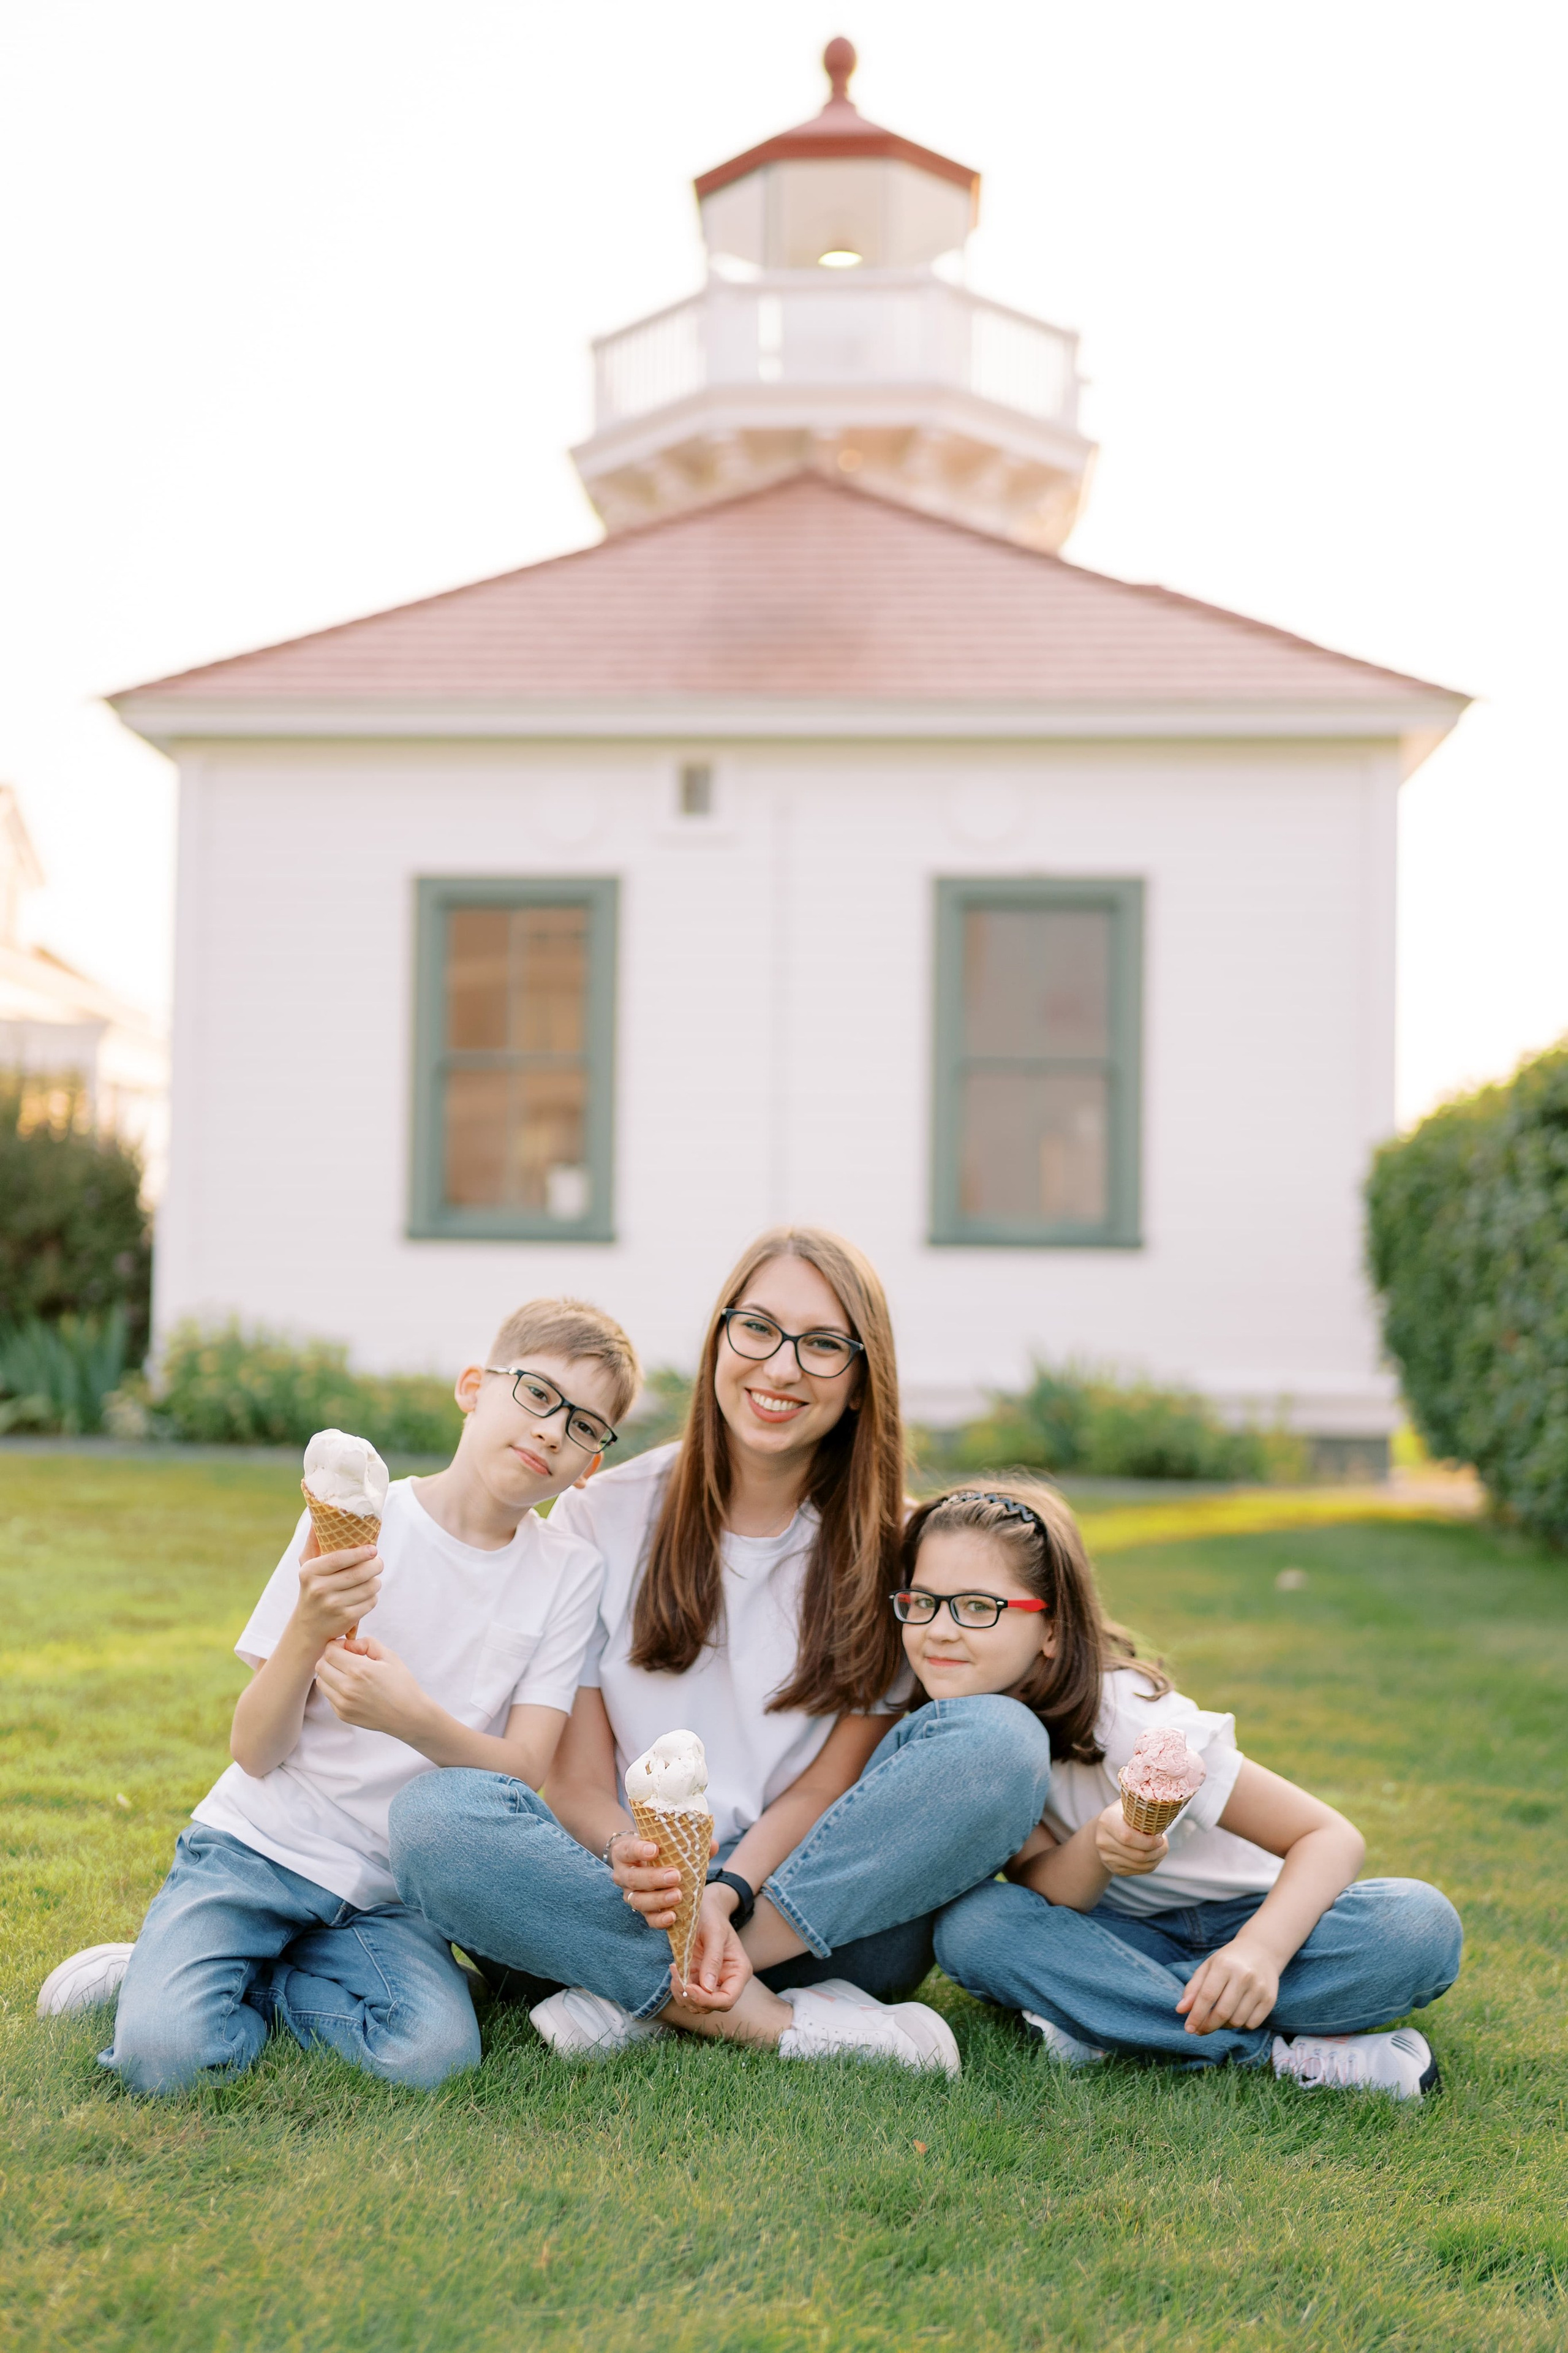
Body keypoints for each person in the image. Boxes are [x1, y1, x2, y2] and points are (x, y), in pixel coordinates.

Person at [390, 1227, 1052, 2074]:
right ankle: (778, 2025)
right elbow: (579, 1781)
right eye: (758, 1329)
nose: (781, 1368)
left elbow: (829, 1782)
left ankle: (643, 1993)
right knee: (434, 1820)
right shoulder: (605, 1511)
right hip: (620, 1895)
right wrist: (647, 1872)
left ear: (859, 1383)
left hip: (816, 1917)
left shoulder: (897, 1546)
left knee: (1001, 1743)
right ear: (719, 1341)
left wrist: (730, 1891)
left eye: (822, 1346)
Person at [37, 1297, 639, 2096]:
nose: (553, 1431)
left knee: (431, 2057)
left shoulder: (567, 1571)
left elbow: (523, 1766)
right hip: (259, 1847)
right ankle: (159, 1972)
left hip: (388, 1893)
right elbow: (254, 1747)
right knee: (165, 2062)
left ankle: (223, 1974)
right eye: (537, 1393)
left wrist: (411, 1718)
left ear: (592, 1462)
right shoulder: (359, 1513)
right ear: (473, 1387)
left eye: (586, 1426)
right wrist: (308, 1627)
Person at [886, 1483, 1463, 2099]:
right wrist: (1100, 1843)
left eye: (977, 1607)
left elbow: (1327, 1836)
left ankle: (1109, 2015)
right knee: (973, 1926)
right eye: (923, 1601)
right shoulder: (972, 1740)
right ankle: (1274, 2053)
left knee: (1417, 1925)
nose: (939, 1630)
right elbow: (1046, 1889)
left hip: (1253, 1917)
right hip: (1119, 1933)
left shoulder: (1132, 1721)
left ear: (1051, 1629)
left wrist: (1259, 1954)